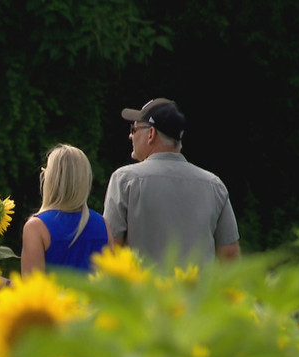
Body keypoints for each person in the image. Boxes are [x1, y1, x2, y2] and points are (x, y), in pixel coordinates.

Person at [102, 98, 240, 265]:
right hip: (196, 290)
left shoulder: (125, 181)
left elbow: (111, 250)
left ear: (151, 134)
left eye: (134, 128)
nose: (130, 135)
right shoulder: (214, 185)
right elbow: (230, 257)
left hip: (142, 290)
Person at [22, 144, 113, 276]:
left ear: (50, 180)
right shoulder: (102, 225)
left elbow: (32, 290)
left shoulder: (36, 228)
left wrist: (3, 283)